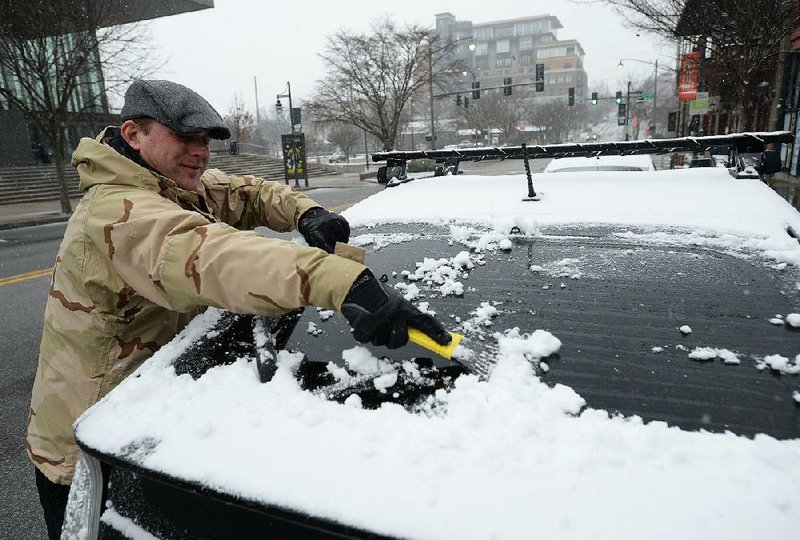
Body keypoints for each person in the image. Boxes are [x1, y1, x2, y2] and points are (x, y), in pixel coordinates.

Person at [26, 79, 451, 539]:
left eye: (206, 141)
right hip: (90, 446)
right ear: (133, 134)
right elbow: (215, 258)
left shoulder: (175, 183)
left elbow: (249, 192)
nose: (200, 153)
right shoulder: (116, 211)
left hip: (145, 416)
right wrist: (344, 282)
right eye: (186, 138)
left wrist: (305, 212)